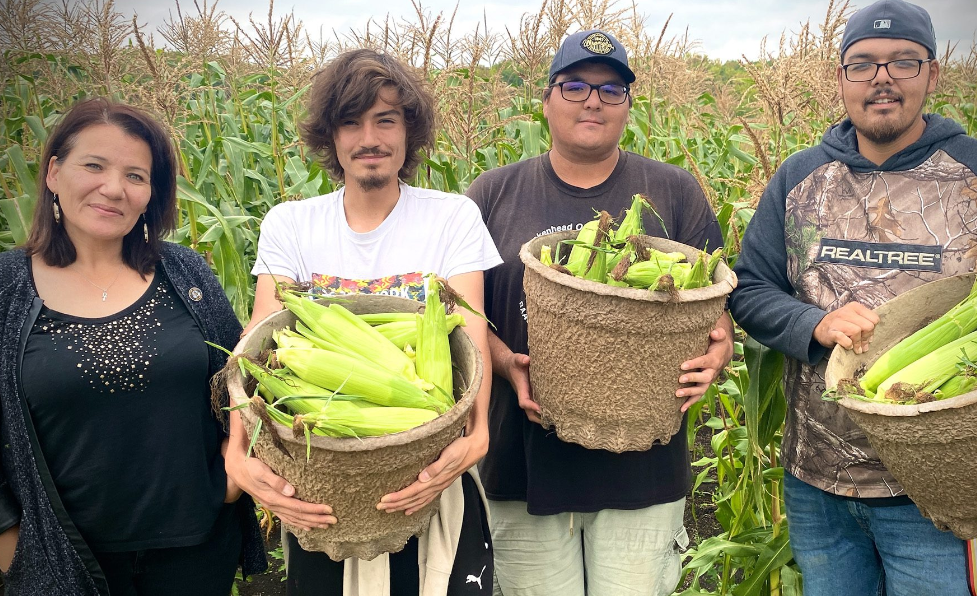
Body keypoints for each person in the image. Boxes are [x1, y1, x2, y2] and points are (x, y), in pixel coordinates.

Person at [729, 1, 977, 594]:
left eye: (903, 62)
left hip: (943, 488)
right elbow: (751, 289)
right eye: (862, 65)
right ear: (840, 79)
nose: (881, 78)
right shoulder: (799, 178)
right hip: (818, 486)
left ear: (932, 75)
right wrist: (813, 322)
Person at [466, 29, 734, 596]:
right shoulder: (491, 194)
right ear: (545, 101)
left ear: (629, 107)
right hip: (523, 463)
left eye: (612, 89)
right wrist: (505, 362)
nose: (594, 100)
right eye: (575, 86)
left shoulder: (674, 191)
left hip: (644, 465)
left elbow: (714, 309)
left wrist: (721, 348)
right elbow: (464, 318)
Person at [227, 49, 501, 595]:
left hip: (430, 478)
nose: (368, 138)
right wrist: (239, 452)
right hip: (324, 492)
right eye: (350, 122)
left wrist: (478, 433)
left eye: (385, 119)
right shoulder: (291, 225)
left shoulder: (451, 217)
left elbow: (470, 338)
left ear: (409, 131)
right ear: (329, 137)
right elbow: (257, 346)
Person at [0, 97, 266, 596]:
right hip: (65, 561)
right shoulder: (7, 289)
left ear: (151, 194)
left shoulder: (185, 273)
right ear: (54, 173)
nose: (113, 188)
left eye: (136, 176)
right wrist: (9, 540)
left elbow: (246, 379)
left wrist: (232, 479)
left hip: (197, 550)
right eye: (93, 166)